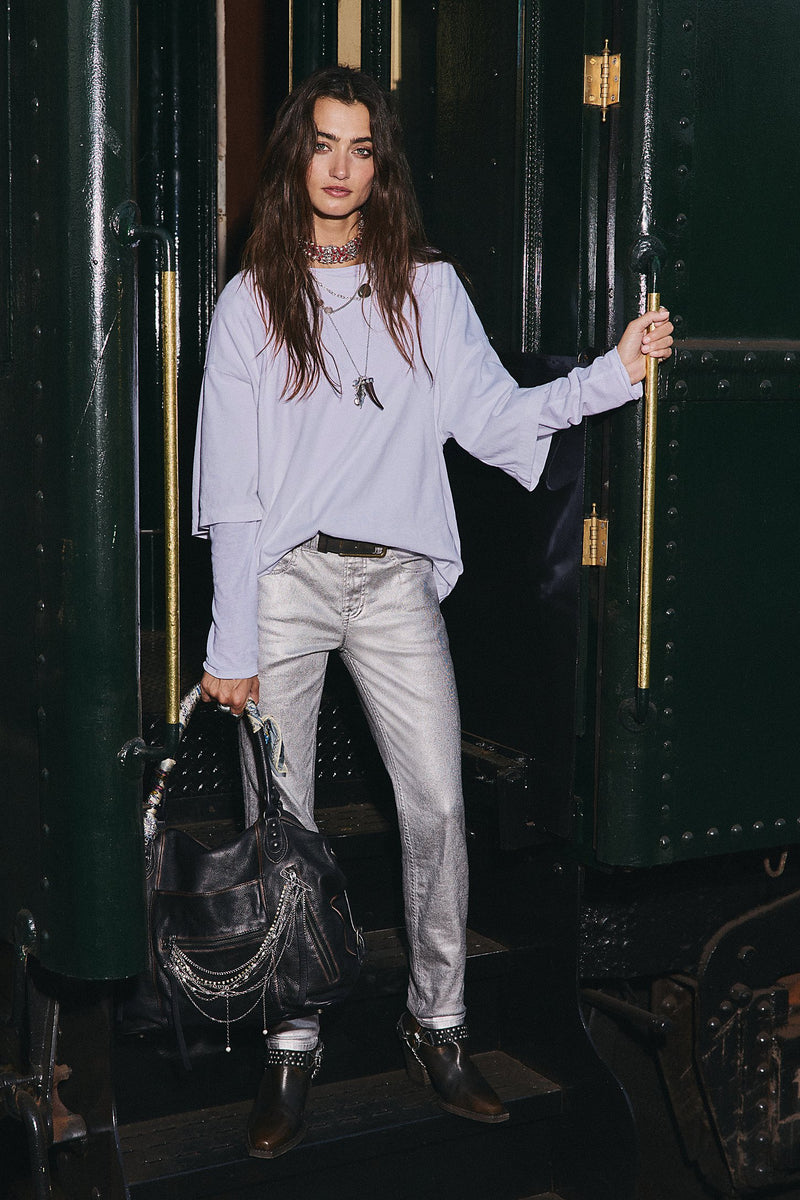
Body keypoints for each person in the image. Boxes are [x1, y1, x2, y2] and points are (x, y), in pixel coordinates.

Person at [192, 64, 673, 1159]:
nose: (342, 167)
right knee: (286, 829)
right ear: (295, 155)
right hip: (281, 585)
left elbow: (497, 419)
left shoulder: (424, 284)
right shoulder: (250, 297)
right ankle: (292, 1035)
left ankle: (437, 1022)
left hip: (394, 579)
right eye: (324, 144)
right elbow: (228, 488)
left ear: (380, 165)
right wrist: (229, 642)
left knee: (440, 812)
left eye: (362, 149)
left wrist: (611, 371)